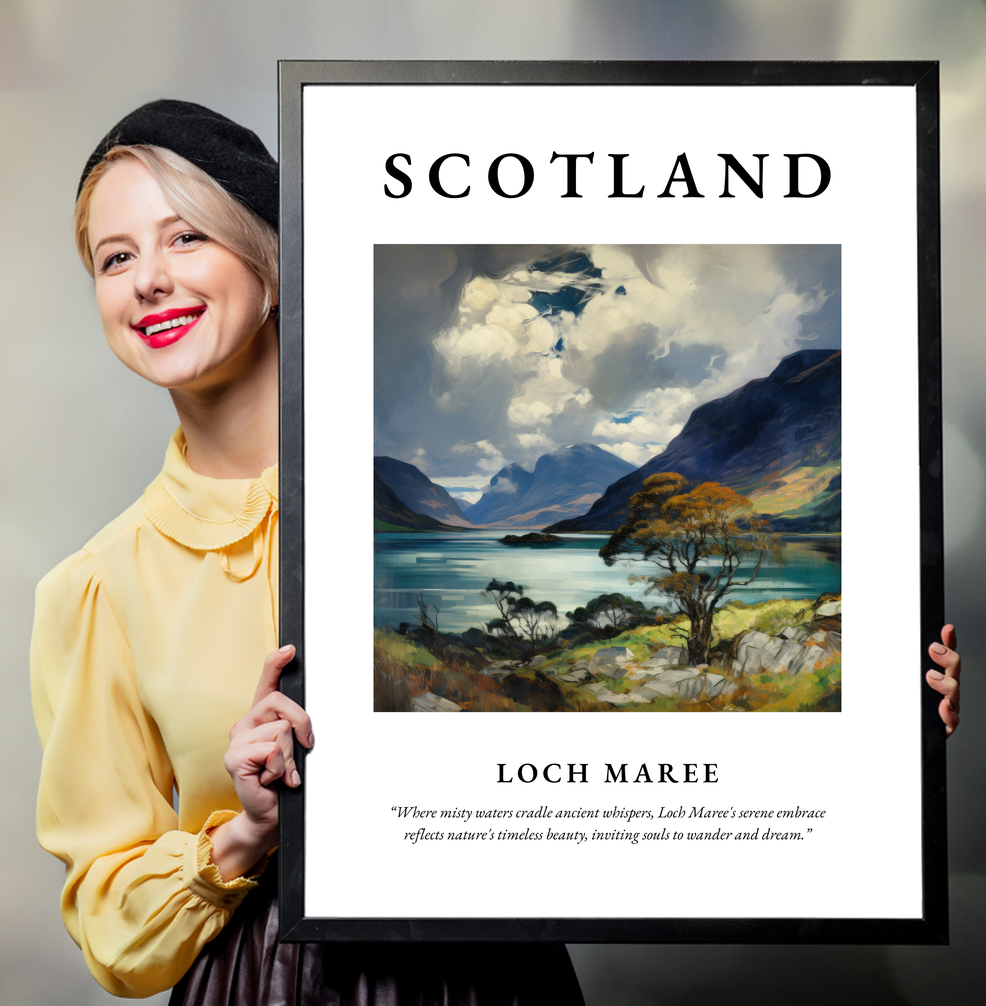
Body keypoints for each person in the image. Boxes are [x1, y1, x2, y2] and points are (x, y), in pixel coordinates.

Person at [30, 100, 585, 1004]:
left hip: (493, 973)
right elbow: (110, 924)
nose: (148, 281)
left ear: (274, 264)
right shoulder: (97, 587)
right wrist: (245, 832)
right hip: (263, 982)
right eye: (116, 257)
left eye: (186, 239)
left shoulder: (422, 513)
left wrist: (884, 710)